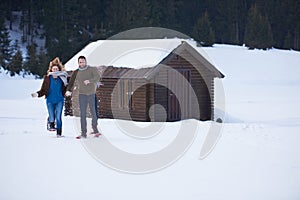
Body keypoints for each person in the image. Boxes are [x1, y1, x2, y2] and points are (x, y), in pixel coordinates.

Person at [65, 55, 101, 139]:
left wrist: (90, 81)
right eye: (80, 62)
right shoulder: (76, 72)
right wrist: (69, 90)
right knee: (83, 114)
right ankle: (83, 133)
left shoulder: (91, 69)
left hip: (91, 94)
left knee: (93, 112)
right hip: (82, 95)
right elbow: (71, 82)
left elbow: (97, 77)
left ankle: (95, 129)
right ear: (78, 63)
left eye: (83, 61)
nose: (82, 63)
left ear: (86, 62)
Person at [31, 57, 68, 137]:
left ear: (59, 69)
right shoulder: (47, 78)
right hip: (50, 101)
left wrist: (68, 92)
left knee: (58, 117)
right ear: (51, 69)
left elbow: (66, 88)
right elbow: (43, 90)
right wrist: (37, 94)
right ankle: (50, 121)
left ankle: (59, 133)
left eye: (56, 69)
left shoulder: (63, 78)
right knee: (52, 117)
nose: (55, 70)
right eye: (53, 69)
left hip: (59, 100)